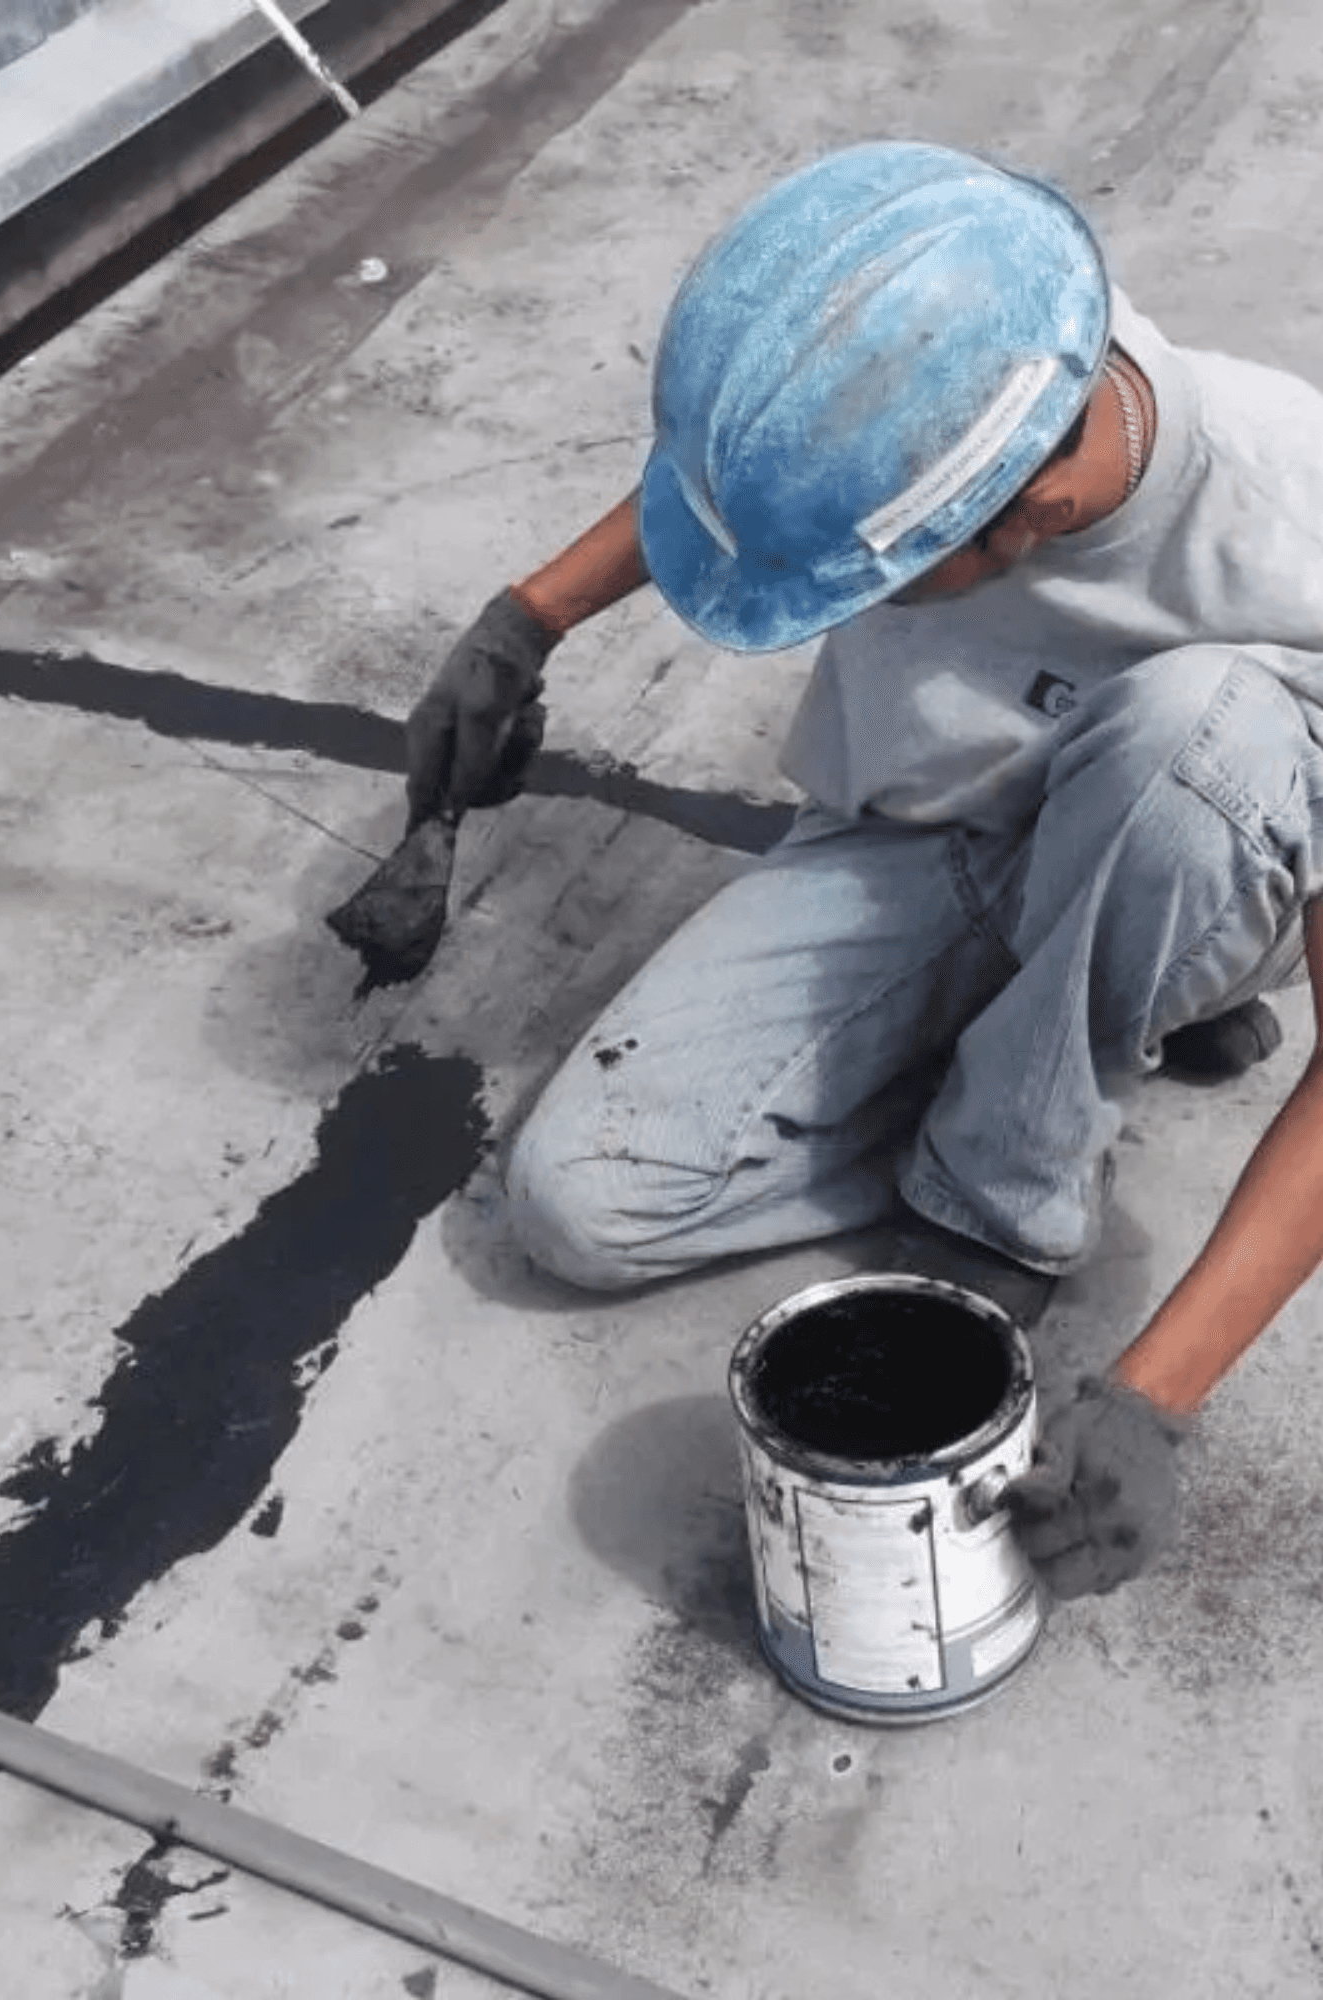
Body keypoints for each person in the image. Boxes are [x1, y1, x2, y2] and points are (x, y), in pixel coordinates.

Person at [401, 143, 1323, 1599]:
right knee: (583, 1205)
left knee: (1199, 733)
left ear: (1028, 513)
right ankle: (1070, 1020)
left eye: (871, 572)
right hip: (920, 836)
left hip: (1202, 821)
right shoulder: (973, 341)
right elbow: (754, 480)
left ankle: (1006, 1182)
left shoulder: (1292, 525)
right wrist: (528, 620)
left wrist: (1158, 1396)